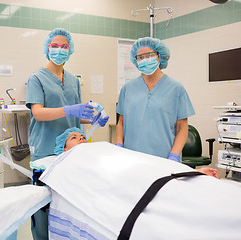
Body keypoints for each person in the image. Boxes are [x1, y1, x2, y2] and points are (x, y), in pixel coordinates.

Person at [26, 28, 109, 240]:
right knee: (43, 207)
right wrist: (71, 109)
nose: (59, 50)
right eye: (55, 46)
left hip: (71, 152)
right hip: (46, 149)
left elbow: (73, 115)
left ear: (70, 50)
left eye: (64, 46)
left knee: (67, 205)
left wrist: (92, 119)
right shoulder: (37, 78)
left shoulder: (73, 80)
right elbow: (38, 113)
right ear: (47, 48)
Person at [115, 37, 194, 163]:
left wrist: (174, 155)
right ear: (135, 61)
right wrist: (119, 145)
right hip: (131, 157)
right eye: (140, 57)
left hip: (164, 158)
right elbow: (121, 123)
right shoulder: (128, 88)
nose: (145, 60)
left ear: (159, 56)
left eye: (149, 55)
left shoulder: (176, 88)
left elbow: (182, 128)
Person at [55, 127, 219, 178]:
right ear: (64, 149)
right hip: (115, 175)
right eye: (74, 138)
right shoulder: (70, 162)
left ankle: (191, 173)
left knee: (149, 165)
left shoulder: (97, 148)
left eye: (83, 136)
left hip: (123, 165)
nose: (81, 138)